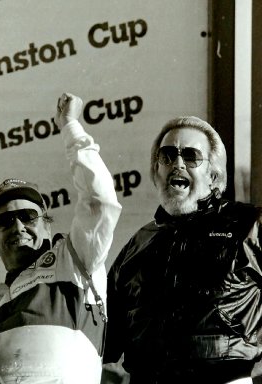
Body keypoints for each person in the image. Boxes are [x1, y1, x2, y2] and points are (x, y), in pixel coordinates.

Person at [103, 116, 262, 384]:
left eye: (191, 156)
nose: (178, 163)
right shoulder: (137, 244)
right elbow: (107, 338)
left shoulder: (247, 224)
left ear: (213, 175)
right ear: (157, 171)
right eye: (168, 156)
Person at [0, 93, 122, 384]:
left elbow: (101, 200)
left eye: (28, 216)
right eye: (5, 221)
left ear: (47, 226)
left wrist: (70, 126)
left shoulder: (73, 259)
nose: (18, 226)